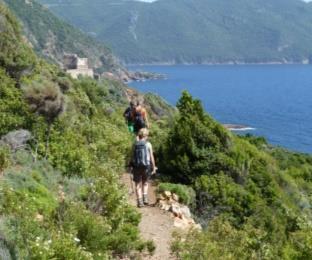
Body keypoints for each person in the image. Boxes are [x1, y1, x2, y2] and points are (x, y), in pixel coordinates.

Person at [131, 128, 156, 207]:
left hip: (136, 166)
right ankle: (145, 198)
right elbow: (151, 156)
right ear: (146, 135)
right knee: (145, 182)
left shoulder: (135, 144)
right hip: (146, 165)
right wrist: (154, 167)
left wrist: (131, 165)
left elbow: (132, 156)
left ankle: (140, 202)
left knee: (137, 183)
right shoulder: (148, 144)